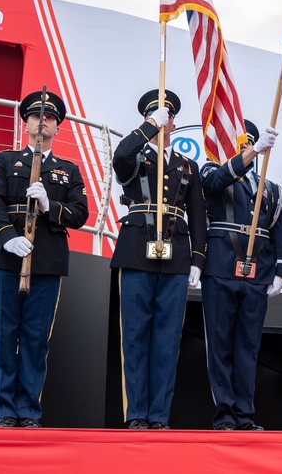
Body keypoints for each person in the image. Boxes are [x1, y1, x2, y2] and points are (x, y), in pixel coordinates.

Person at [0, 90, 89, 428]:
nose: (43, 121)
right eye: (36, 115)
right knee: (2, 336)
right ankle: (3, 412)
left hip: (45, 264)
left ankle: (28, 410)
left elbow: (80, 213)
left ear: (58, 127)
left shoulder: (68, 170)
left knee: (35, 340)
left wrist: (49, 207)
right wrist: (7, 239)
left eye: (51, 118)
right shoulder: (4, 160)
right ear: (25, 121)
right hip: (6, 260)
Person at [111, 89, 208, 430]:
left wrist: (198, 259)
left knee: (167, 339)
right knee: (136, 335)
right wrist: (150, 125)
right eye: (156, 115)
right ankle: (136, 413)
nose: (165, 120)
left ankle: (158, 416)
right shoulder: (135, 155)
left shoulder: (187, 165)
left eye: (167, 115)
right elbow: (121, 154)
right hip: (137, 248)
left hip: (177, 254)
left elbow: (197, 215)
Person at [197, 119, 282, 431]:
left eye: (250, 145)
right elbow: (215, 183)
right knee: (220, 345)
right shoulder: (212, 171)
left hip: (257, 275)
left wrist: (280, 272)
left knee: (247, 348)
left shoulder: (269, 188)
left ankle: (245, 416)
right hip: (221, 269)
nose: (246, 149)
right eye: (240, 145)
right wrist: (244, 158)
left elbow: (278, 234)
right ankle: (224, 415)